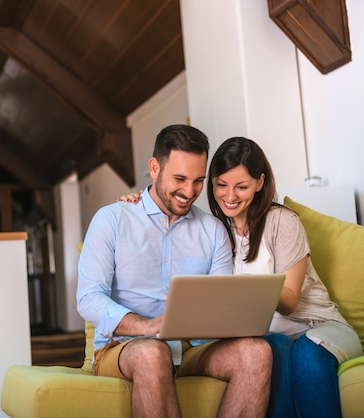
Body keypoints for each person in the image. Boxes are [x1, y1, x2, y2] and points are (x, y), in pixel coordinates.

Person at [119, 136, 362, 417]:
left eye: (241, 187)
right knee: (274, 348)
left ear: (259, 183)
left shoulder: (282, 222)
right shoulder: (213, 230)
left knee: (306, 355)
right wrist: (139, 202)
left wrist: (242, 291)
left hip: (317, 326)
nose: (230, 196)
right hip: (269, 337)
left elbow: (291, 302)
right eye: (221, 185)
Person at [77, 125, 273, 418]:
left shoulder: (212, 230)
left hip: (191, 348)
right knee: (153, 352)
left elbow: (220, 301)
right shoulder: (112, 220)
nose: (189, 191)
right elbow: (89, 299)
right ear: (154, 168)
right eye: (179, 179)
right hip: (125, 349)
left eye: (198, 181)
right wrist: (146, 326)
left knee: (257, 352)